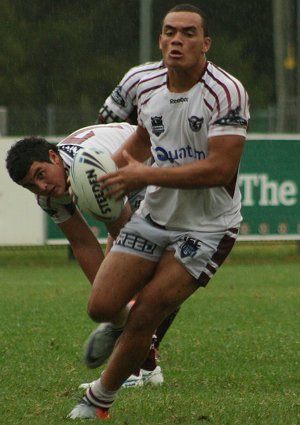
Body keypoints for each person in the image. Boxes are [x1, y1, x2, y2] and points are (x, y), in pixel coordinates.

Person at [68, 3, 250, 420]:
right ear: (160, 39)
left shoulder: (227, 91)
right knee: (101, 305)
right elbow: (142, 137)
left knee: (149, 308)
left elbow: (221, 168)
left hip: (207, 228)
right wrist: (108, 173)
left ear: (206, 44)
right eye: (169, 32)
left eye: (188, 33)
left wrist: (144, 175)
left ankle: (99, 398)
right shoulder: (143, 81)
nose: (177, 41)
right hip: (153, 215)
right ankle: (128, 328)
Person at [5, 122, 164, 387]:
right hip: (125, 179)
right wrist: (111, 303)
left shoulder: (88, 167)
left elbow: (128, 239)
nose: (41, 187)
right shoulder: (48, 198)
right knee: (120, 284)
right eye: (31, 185)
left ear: (54, 157)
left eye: (41, 174)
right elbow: (82, 243)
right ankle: (139, 359)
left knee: (146, 264)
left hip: (155, 160)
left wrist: (121, 313)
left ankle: (141, 365)